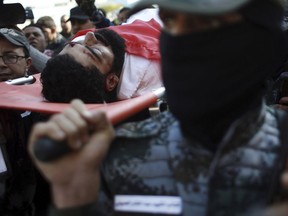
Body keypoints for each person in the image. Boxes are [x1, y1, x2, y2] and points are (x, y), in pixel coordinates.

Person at [28, 1, 288, 215]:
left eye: (210, 25)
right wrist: (75, 200)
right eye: (171, 21)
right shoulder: (116, 154)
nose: (181, 40)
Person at [32, 16, 162, 103]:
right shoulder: (159, 60)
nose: (89, 35)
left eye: (74, 43)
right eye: (95, 51)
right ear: (111, 81)